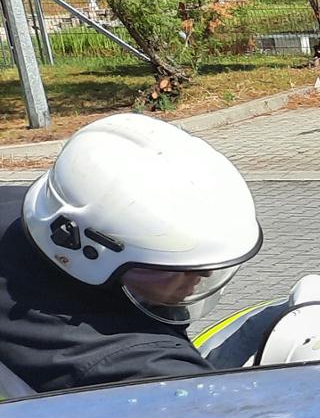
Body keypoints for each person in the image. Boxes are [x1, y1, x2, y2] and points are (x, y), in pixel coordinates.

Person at [0, 113, 262, 393]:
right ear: (88, 253)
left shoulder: (19, 211)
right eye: (175, 265)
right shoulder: (140, 369)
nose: (206, 274)